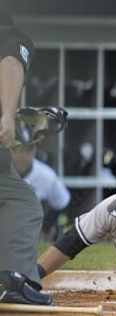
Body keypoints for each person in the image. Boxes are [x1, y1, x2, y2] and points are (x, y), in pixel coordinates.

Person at [0, 12, 53, 305]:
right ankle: (16, 283)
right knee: (22, 203)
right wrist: (8, 115)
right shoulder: (11, 35)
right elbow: (9, 61)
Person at [11, 144, 71, 241]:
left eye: (25, 150)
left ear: (33, 151)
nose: (20, 155)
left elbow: (62, 202)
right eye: (15, 150)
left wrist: (45, 227)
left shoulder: (46, 175)